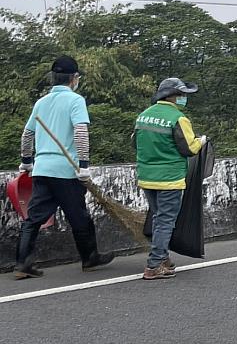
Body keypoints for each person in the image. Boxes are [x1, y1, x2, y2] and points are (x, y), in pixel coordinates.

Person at [14, 55, 114, 279]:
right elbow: (80, 132)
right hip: (65, 170)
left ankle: (22, 263)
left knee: (33, 218)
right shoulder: (75, 101)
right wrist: (84, 165)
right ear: (74, 78)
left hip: (42, 169)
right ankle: (89, 258)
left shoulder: (41, 102)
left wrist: (26, 161)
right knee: (79, 216)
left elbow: (27, 134)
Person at [135, 77, 206, 280]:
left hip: (147, 177)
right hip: (169, 179)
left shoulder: (143, 116)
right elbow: (189, 149)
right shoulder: (178, 119)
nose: (184, 99)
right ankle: (154, 264)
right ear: (173, 96)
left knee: (159, 218)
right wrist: (201, 141)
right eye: (182, 95)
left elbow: (136, 145)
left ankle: (163, 257)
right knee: (165, 221)